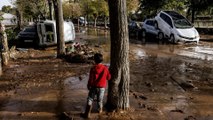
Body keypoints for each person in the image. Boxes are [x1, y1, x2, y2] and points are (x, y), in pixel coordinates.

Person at [82, 53, 111, 118]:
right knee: (100, 100)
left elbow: (90, 78)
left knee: (90, 99)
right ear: (102, 60)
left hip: (93, 87)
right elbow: (109, 78)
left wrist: (88, 85)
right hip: (102, 87)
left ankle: (87, 113)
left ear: (94, 60)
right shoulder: (105, 68)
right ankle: (100, 111)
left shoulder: (93, 68)